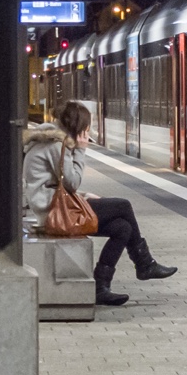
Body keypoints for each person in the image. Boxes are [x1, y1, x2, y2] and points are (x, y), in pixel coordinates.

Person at [22, 101, 175, 306]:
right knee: (123, 205)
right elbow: (72, 182)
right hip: (52, 211)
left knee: (123, 228)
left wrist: (85, 196)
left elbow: (57, 184)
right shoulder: (56, 145)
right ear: (77, 127)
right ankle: (144, 263)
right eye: (86, 128)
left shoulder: (52, 140)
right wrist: (81, 150)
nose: (88, 132)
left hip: (52, 205)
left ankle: (101, 287)